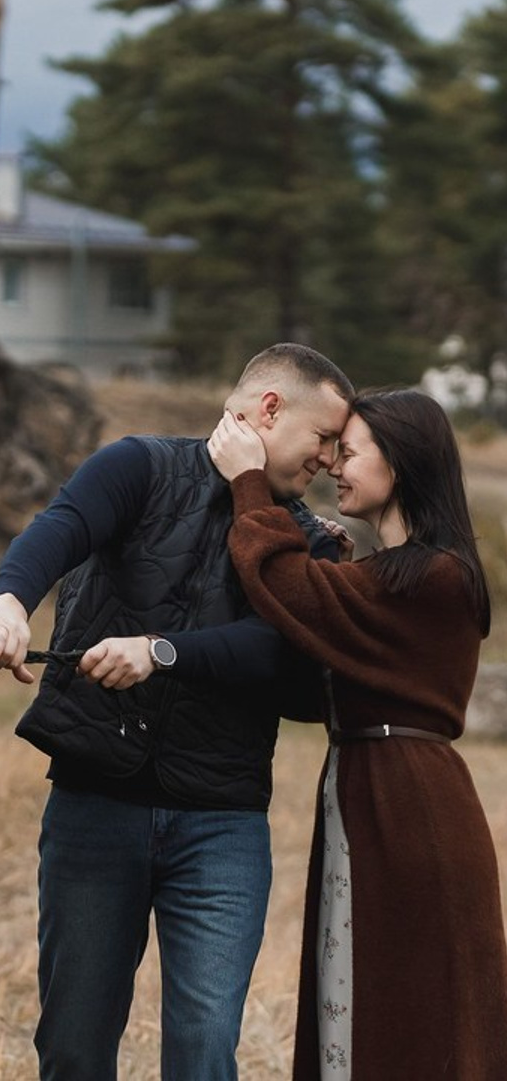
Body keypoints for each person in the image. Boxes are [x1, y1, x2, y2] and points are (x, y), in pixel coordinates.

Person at [0, 344, 355, 1081]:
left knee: (205, 1051)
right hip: (95, 809)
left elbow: (284, 652)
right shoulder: (138, 466)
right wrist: (11, 599)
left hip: (222, 825)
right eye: (324, 440)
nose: (329, 462)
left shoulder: (308, 542)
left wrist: (162, 651)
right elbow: (60, 528)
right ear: (270, 409)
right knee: (74, 1047)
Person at [209, 389, 507, 1079]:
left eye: (350, 452)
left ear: (397, 464)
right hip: (381, 791)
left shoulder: (433, 578)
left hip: (406, 806)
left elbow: (287, 583)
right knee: (373, 999)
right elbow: (315, 649)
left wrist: (249, 484)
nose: (336, 466)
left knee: (402, 1008)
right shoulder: (392, 577)